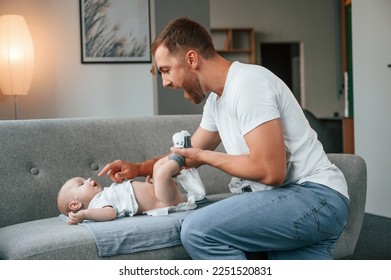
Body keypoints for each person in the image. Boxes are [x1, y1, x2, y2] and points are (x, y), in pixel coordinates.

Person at [98, 17, 349, 260]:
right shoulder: (217, 102)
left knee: (197, 231)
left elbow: (271, 171)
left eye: (166, 70)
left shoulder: (248, 84)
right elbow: (189, 153)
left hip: (314, 196)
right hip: (293, 201)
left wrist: (204, 157)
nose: (165, 82)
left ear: (192, 59)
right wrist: (139, 168)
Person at [58, 130, 205, 224]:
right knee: (161, 174)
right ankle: (181, 154)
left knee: (157, 168)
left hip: (159, 193)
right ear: (75, 205)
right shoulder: (97, 205)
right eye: (82, 184)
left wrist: (150, 185)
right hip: (163, 201)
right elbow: (110, 213)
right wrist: (85, 214)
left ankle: (181, 153)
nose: (89, 179)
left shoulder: (104, 195)